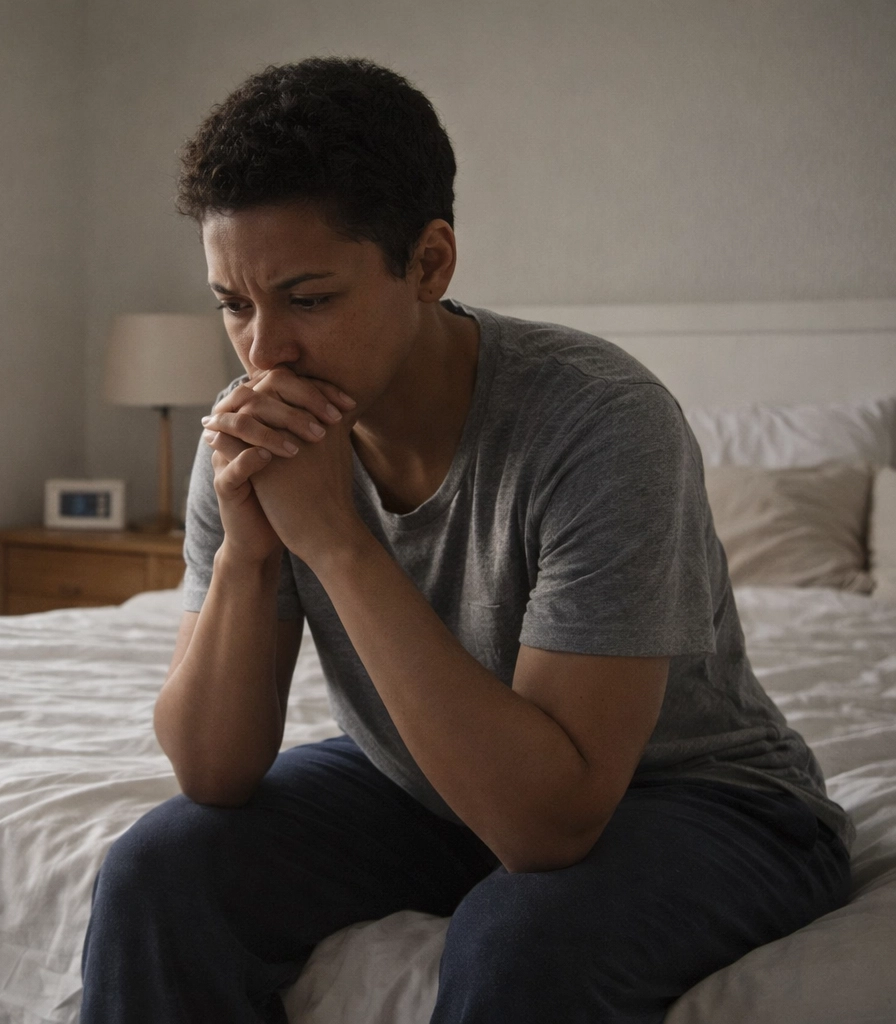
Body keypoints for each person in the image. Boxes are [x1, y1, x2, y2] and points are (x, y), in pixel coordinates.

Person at [78, 56, 853, 1024]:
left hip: (701, 799)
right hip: (430, 782)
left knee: (527, 931)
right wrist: (253, 551)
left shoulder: (599, 419)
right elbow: (214, 771)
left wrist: (340, 544)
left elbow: (547, 826)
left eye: (309, 298)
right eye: (235, 303)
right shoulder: (259, 432)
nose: (265, 349)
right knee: (161, 866)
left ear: (431, 262)